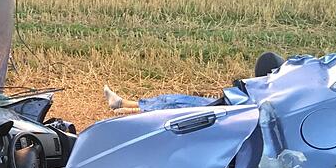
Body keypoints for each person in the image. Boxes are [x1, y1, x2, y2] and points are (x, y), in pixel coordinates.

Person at [103, 51, 285, 115]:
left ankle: (129, 109)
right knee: (179, 100)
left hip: (247, 109)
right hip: (247, 102)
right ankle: (127, 106)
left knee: (185, 109)